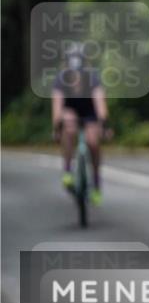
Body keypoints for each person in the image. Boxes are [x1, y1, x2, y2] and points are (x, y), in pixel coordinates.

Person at [51, 43, 109, 204]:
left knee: (93, 142)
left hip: (89, 112)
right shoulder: (60, 80)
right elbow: (57, 106)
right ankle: (68, 169)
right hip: (71, 110)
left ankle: (96, 182)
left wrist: (103, 124)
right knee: (68, 126)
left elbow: (100, 104)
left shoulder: (92, 78)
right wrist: (57, 128)